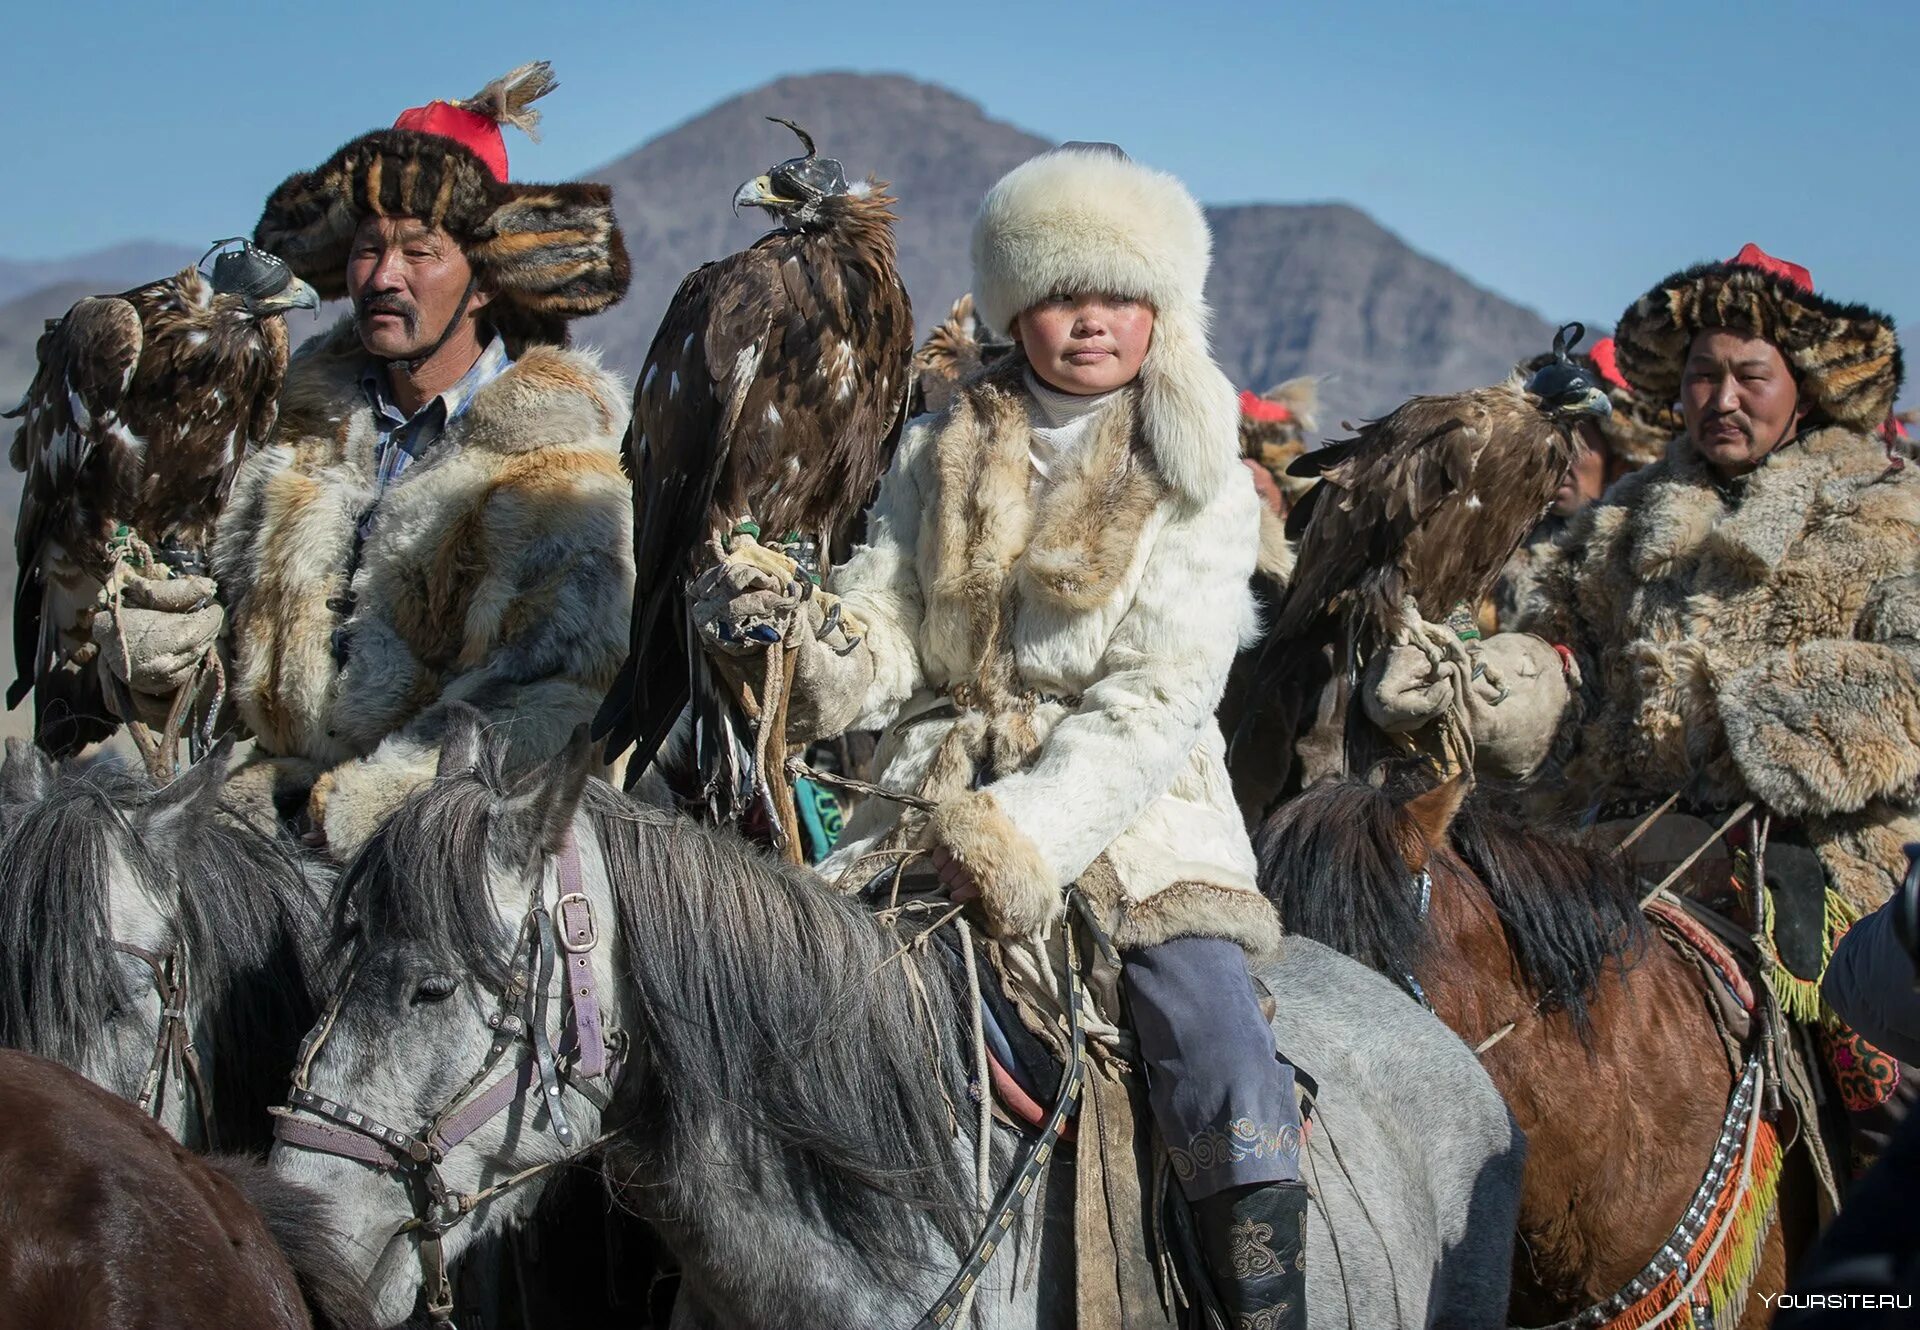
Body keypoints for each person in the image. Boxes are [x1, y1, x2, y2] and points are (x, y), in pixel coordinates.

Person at [698, 144, 1305, 1325]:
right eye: (1059, 293)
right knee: (761, 1020)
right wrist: (796, 644)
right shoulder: (938, 452)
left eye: (1117, 293)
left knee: (1217, 1048)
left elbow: (1154, 701)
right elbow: (884, 624)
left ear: (1161, 309)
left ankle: (1263, 1303)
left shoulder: (1203, 480)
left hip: (1136, 825)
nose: (1088, 321)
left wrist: (1018, 837)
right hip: (924, 802)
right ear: (1017, 304)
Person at [1369, 242, 1916, 1164]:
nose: (1723, 398)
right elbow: (1563, 659)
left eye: (1750, 376)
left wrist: (1784, 723)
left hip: (1806, 866)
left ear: (1807, 385)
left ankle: (1871, 1277)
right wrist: (1488, 688)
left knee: (1879, 1088)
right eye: (1704, 375)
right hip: (1606, 855)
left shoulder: (1889, 513)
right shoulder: (1616, 522)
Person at [93, 64, 634, 854]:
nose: (383, 276)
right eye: (368, 248)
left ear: (484, 282)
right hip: (269, 843)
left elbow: (555, 697)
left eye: (421, 250)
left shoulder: (557, 467)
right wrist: (158, 663)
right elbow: (232, 687)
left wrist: (370, 808)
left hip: (459, 866)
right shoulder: (282, 440)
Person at [1490, 335, 1677, 628]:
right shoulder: (1491, 546)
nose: (1558, 457)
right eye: (1544, 441)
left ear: (1616, 454)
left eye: (1575, 440)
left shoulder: (1648, 557)